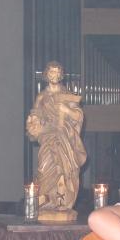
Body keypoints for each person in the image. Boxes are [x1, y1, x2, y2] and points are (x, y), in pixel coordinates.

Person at [26, 61, 87, 213]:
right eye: (52, 72)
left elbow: (78, 116)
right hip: (47, 136)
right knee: (43, 168)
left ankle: (61, 202)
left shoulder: (67, 95)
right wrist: (33, 122)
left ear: (61, 75)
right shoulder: (42, 96)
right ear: (46, 74)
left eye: (57, 72)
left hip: (64, 136)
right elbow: (36, 115)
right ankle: (45, 201)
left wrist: (66, 109)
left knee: (64, 169)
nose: (54, 75)